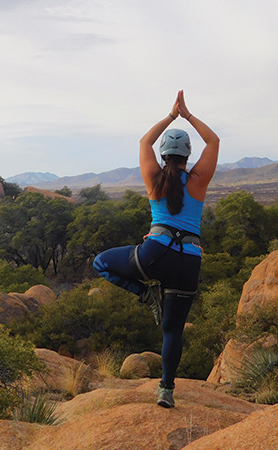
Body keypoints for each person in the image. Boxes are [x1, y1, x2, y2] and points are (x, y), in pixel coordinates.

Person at [93, 90, 219, 408]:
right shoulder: (199, 180)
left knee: (100, 263)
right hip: (189, 262)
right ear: (188, 155)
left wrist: (171, 116)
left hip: (155, 255)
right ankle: (166, 390)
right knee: (172, 330)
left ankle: (145, 293)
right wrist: (188, 115)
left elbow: (143, 143)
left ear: (163, 155)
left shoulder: (153, 178)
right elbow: (214, 141)